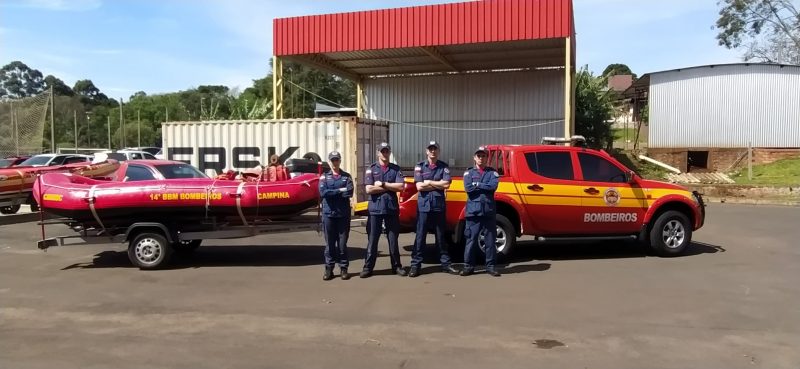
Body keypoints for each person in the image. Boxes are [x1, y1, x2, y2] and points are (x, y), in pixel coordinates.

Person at [409, 141, 458, 277]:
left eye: (435, 149)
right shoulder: (420, 167)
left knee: (441, 236)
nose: (433, 151)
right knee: (420, 236)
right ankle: (415, 265)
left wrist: (429, 182)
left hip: (438, 206)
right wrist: (438, 184)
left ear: (438, 151)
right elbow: (419, 187)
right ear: (426, 151)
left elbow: (446, 184)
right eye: (430, 149)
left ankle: (445, 264)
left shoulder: (444, 167)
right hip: (424, 206)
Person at [361, 142, 406, 278]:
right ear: (378, 153)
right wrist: (389, 187)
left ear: (389, 153)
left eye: (386, 151)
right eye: (382, 151)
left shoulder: (395, 169)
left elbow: (401, 187)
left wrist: (383, 184)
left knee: (393, 239)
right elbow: (368, 189)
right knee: (373, 239)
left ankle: (397, 266)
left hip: (391, 209)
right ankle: (368, 268)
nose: (384, 154)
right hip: (375, 209)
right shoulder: (371, 169)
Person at [461, 146, 501, 277]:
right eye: (478, 156)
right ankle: (468, 266)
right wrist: (482, 186)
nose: (481, 158)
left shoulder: (493, 173)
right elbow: (468, 189)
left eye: (483, 156)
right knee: (471, 240)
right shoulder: (468, 173)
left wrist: (477, 185)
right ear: (474, 158)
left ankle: (490, 266)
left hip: (488, 212)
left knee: (490, 241)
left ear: (486, 158)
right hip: (473, 212)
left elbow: (493, 187)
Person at [318, 151, 354, 281]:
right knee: (330, 245)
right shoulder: (324, 177)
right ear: (329, 162)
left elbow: (349, 192)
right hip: (329, 215)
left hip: (343, 215)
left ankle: (344, 268)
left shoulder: (346, 177)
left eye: (337, 160)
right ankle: (329, 269)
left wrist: (333, 192)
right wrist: (339, 190)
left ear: (340, 161)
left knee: (343, 244)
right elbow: (323, 192)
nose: (335, 162)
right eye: (332, 160)